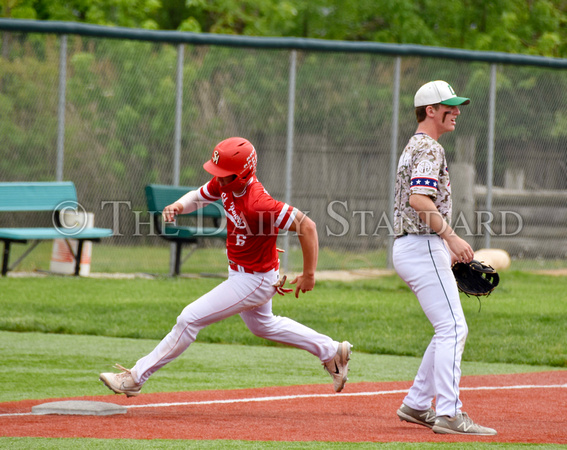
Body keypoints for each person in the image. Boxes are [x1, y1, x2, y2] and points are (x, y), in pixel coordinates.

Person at [100, 137, 352, 396]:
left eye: (225, 176)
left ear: (244, 174)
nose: (219, 180)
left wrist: (309, 273)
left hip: (253, 280)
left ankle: (135, 378)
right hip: (249, 272)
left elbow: (307, 226)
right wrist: (179, 205)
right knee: (263, 326)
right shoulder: (228, 184)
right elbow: (198, 197)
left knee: (188, 319)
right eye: (217, 174)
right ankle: (332, 351)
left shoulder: (257, 202)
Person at [392, 81, 497, 435]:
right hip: (421, 244)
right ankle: (449, 414)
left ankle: (418, 404)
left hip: (416, 245)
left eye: (457, 105)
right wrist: (450, 239)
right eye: (448, 106)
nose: (456, 111)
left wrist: (441, 247)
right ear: (430, 110)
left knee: (446, 327)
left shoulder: (414, 146)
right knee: (453, 327)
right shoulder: (430, 149)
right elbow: (420, 200)